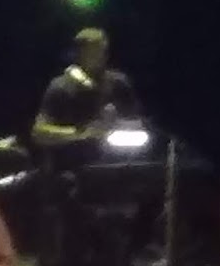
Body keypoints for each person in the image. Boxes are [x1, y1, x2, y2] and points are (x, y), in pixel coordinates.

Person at [30, 27, 140, 167]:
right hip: (72, 168)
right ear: (80, 54)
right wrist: (83, 133)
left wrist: (115, 125)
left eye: (103, 51)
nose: (101, 56)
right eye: (93, 52)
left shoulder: (119, 83)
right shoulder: (61, 86)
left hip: (116, 165)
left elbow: (137, 122)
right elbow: (39, 133)